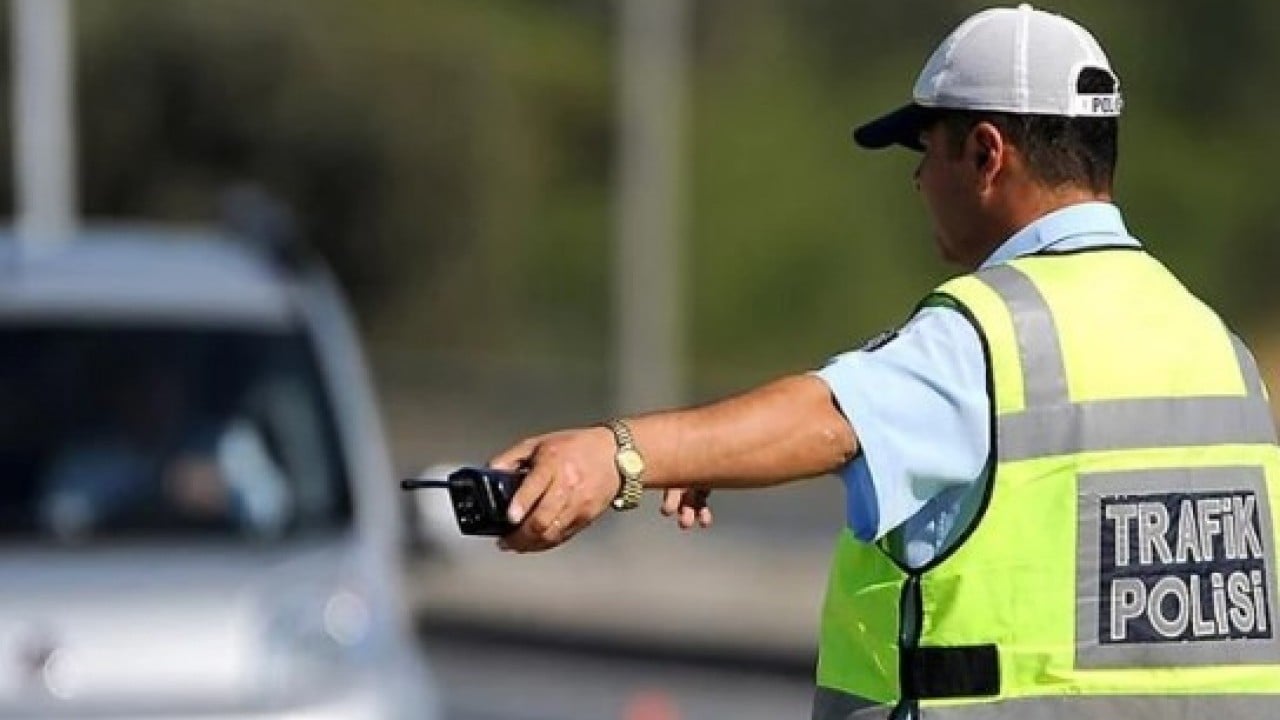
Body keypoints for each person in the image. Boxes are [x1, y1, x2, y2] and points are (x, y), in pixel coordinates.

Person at [490, 5, 1280, 719]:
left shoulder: (994, 333)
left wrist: (617, 455)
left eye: (923, 148)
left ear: (985, 154)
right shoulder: (1217, 348)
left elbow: (828, 416)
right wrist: (719, 454)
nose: (915, 178)